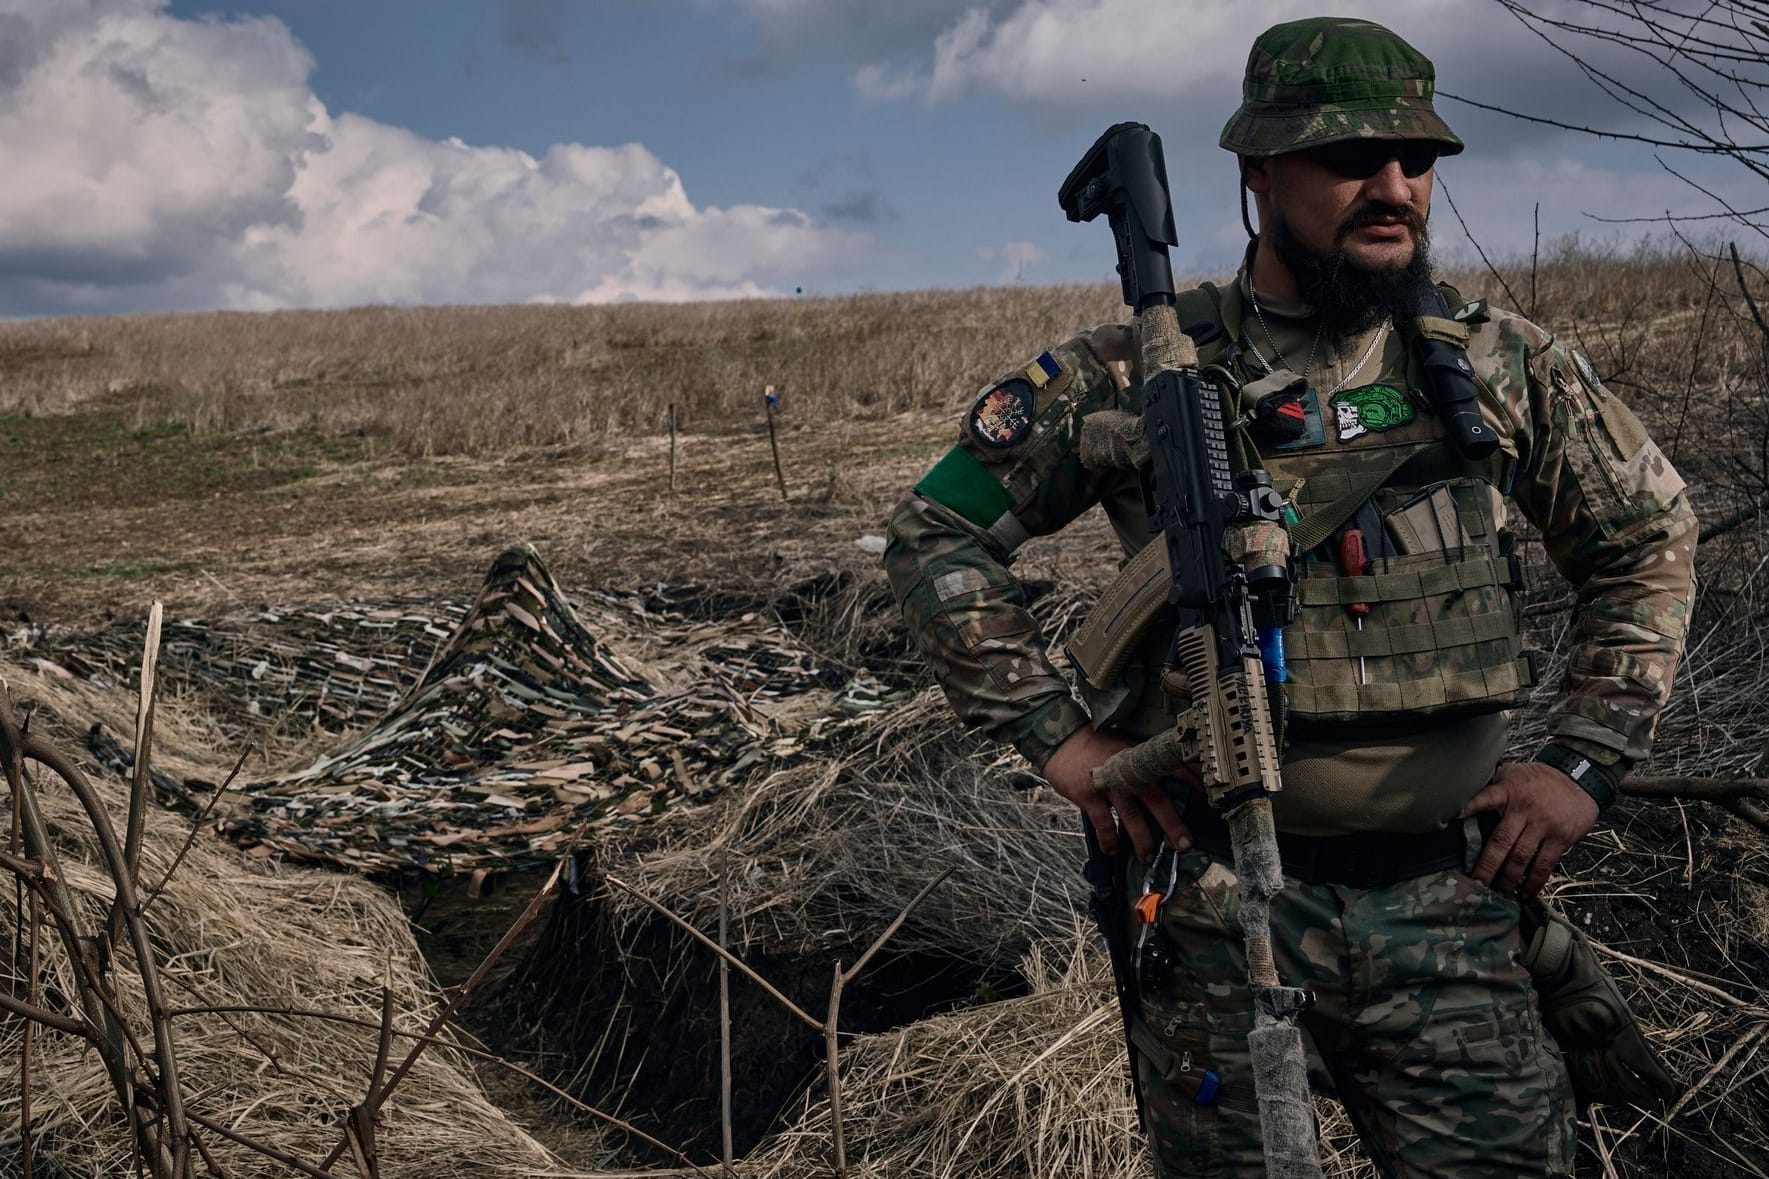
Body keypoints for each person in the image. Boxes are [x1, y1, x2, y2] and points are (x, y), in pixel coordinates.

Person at [883, 16, 1696, 1178]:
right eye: (1346, 157)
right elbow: (933, 533)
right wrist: (1055, 740)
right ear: (1254, 172)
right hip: (1215, 914)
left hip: (1448, 907)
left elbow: (1647, 536)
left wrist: (1581, 763)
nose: (1391, 185)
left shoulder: (1495, 364)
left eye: (1414, 159)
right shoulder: (1135, 370)